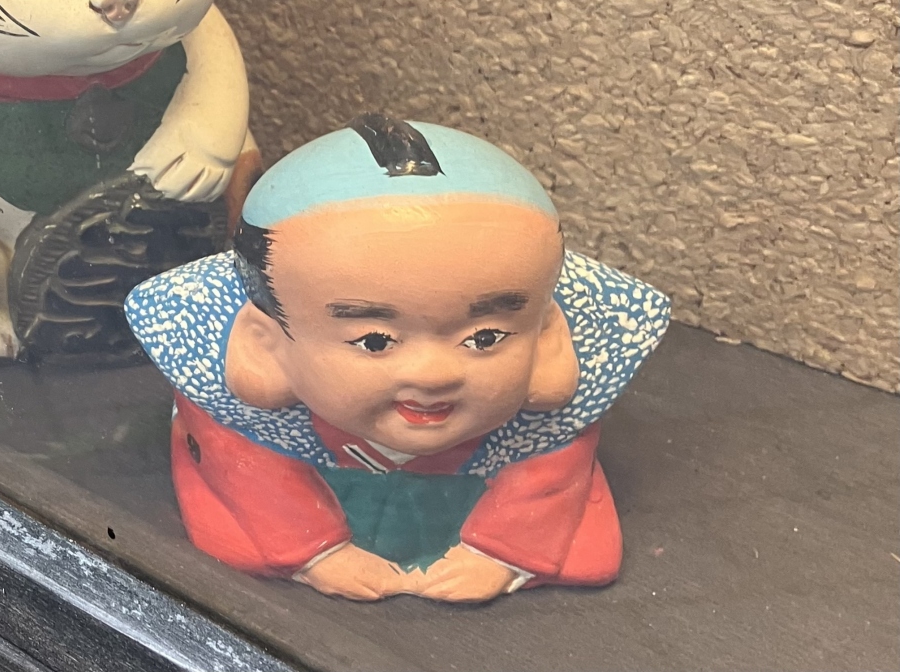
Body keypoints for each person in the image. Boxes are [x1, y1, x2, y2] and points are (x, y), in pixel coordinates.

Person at [125, 115, 669, 602]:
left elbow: (552, 476)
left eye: (485, 337)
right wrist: (315, 553)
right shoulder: (236, 414)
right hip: (304, 495)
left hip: (486, 501)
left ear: (547, 337)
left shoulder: (548, 426)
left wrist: (501, 555)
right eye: (375, 341)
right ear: (265, 346)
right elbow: (239, 469)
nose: (434, 375)